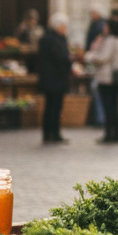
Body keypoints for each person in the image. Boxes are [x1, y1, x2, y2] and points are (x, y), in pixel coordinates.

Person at [86, 17, 118, 144]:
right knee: (114, 107)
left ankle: (109, 134)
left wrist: (90, 56)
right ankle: (116, 134)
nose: (104, 28)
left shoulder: (110, 40)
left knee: (108, 107)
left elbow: (103, 57)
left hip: (106, 78)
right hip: (117, 79)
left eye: (106, 26)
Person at [37, 12, 72, 144]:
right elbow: (61, 57)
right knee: (53, 107)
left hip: (54, 78)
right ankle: (51, 133)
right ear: (58, 26)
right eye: (64, 26)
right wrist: (69, 62)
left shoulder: (53, 38)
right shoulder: (52, 39)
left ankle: (52, 133)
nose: (65, 29)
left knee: (54, 107)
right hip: (54, 78)